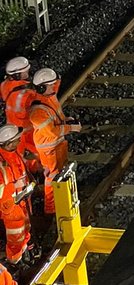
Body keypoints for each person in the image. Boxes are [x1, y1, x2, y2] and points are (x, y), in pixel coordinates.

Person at [29, 69, 80, 216]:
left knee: (62, 172)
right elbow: (51, 131)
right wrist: (71, 128)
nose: (54, 88)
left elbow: (56, 118)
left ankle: (63, 196)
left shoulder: (49, 98)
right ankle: (51, 207)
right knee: (52, 177)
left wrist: (65, 121)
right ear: (41, 87)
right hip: (48, 149)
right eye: (51, 85)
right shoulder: (37, 111)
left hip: (57, 145)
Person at [0, 125, 31, 268]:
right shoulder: (2, 164)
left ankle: (24, 251)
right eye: (16, 140)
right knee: (16, 234)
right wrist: (10, 207)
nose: (19, 142)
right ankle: (14, 262)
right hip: (11, 207)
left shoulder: (12, 154)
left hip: (21, 200)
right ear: (8, 143)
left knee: (24, 229)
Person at [0, 61, 35, 167]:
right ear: (17, 74)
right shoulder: (25, 92)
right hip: (26, 129)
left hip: (12, 128)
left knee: (18, 157)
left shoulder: (4, 85)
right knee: (34, 154)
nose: (28, 72)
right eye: (25, 71)